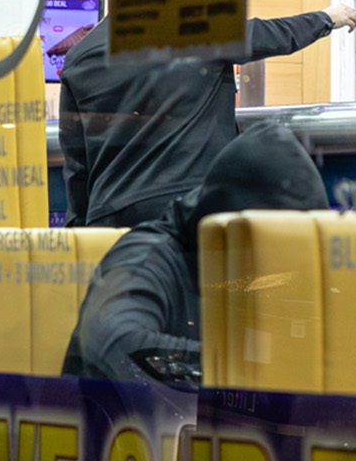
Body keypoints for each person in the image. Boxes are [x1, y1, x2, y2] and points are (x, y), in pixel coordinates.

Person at [60, 119, 327, 382]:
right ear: (230, 231)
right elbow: (114, 344)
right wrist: (248, 371)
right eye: (275, 246)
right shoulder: (146, 256)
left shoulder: (253, 273)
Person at [59, 3, 356, 228]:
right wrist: (327, 18)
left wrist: (81, 232)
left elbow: (76, 164)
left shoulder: (79, 56)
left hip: (110, 221)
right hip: (186, 213)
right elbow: (271, 35)